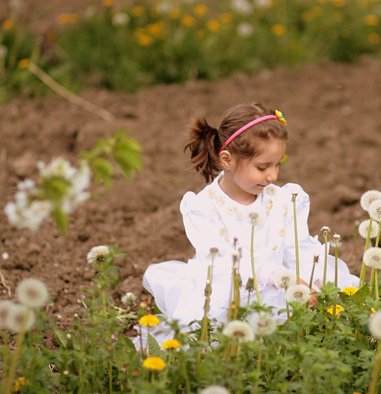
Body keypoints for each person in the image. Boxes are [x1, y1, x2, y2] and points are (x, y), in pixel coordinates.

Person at [137, 102, 359, 347]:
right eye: (262, 167)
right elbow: (222, 262)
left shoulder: (284, 200)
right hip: (229, 298)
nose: (273, 175)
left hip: (281, 291)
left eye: (278, 164)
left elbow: (298, 249)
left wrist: (311, 281)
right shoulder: (204, 207)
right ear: (227, 160)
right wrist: (275, 276)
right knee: (212, 345)